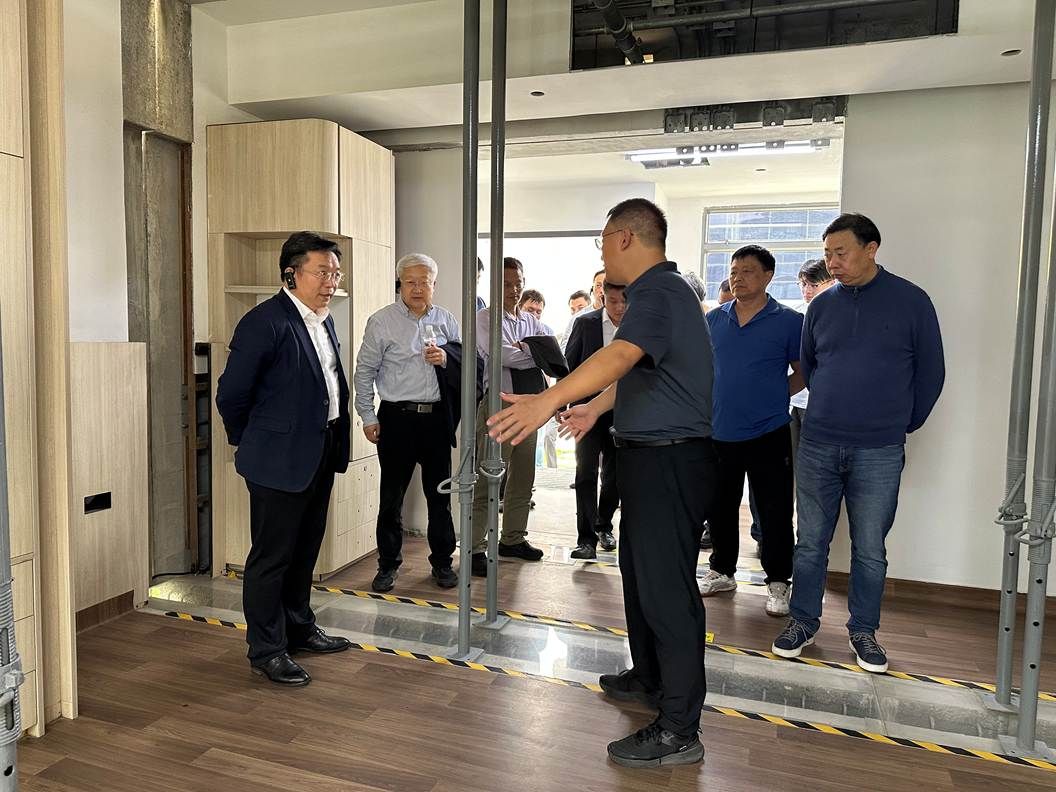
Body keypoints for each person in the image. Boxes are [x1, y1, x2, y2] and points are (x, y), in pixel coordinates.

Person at [486, 198, 715, 769]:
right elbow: (637, 369)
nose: (604, 251)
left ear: (624, 238)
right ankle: (651, 677)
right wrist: (594, 408)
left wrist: (548, 400)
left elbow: (619, 355)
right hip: (649, 456)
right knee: (640, 578)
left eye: (603, 240)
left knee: (667, 590)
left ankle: (679, 728)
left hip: (669, 459)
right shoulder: (658, 292)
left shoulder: (660, 290)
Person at [772, 213, 944, 674]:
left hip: (879, 449)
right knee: (810, 542)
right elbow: (810, 366)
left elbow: (931, 373)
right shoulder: (821, 307)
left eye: (841, 252)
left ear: (871, 249)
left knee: (870, 548)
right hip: (819, 441)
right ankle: (802, 622)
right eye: (827, 254)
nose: (832, 262)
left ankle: (863, 630)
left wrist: (901, 423)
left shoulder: (912, 301)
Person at [215, 231, 353, 687]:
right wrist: (251, 441)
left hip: (320, 451)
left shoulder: (323, 320)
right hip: (277, 459)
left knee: (304, 550)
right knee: (271, 558)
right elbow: (231, 395)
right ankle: (267, 650)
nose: (331, 282)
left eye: (336, 273)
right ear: (291, 274)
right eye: (322, 272)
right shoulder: (264, 322)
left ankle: (299, 628)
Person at [698, 245, 804, 618]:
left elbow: (803, 371)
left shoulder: (789, 321)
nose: (738, 278)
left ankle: (778, 580)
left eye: (747, 271)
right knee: (720, 507)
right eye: (734, 271)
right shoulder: (714, 319)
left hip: (769, 431)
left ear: (768, 276)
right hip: (720, 430)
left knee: (775, 509)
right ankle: (722, 570)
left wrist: (775, 395)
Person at [354, 253, 461, 594]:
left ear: (434, 285)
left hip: (436, 420)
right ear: (400, 283)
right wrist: (368, 416)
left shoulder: (446, 320)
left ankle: (442, 562)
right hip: (396, 419)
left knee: (440, 496)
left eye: (424, 282)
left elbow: (467, 365)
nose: (417, 289)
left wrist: (446, 359)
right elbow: (364, 372)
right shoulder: (381, 321)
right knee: (391, 498)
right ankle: (388, 565)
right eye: (410, 282)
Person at [470, 257, 553, 577]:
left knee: (523, 477)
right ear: (495, 285)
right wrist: (531, 352)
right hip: (499, 406)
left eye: (518, 283)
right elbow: (503, 354)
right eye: (506, 284)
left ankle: (513, 539)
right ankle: (475, 547)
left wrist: (526, 349)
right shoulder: (485, 318)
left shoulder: (531, 320)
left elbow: (550, 353)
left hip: (530, 407)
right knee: (488, 477)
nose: (514, 289)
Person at [564, 280, 627, 559]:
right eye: (613, 301)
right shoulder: (585, 324)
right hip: (586, 409)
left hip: (623, 410)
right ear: (602, 297)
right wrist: (561, 404)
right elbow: (570, 365)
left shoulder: (637, 326)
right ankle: (586, 539)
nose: (619, 307)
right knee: (585, 473)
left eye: (624, 301)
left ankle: (604, 525)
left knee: (614, 475)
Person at [788, 259, 834, 459]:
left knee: (815, 459)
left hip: (819, 402)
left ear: (831, 282)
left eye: (813, 285)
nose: (806, 290)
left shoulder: (835, 314)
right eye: (803, 284)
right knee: (791, 459)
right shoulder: (796, 314)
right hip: (795, 399)